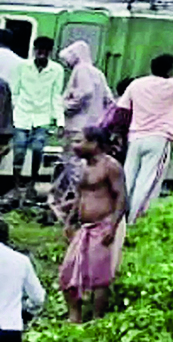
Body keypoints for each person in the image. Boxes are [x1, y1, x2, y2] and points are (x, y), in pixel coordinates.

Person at [119, 42, 173, 222]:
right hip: (158, 140)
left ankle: (117, 219)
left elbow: (122, 108)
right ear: (169, 71)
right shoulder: (170, 85)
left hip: (135, 138)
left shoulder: (136, 84)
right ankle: (134, 222)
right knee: (147, 183)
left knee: (128, 179)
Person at [59, 127, 124, 324]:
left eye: (79, 141)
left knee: (98, 277)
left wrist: (112, 227)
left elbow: (121, 196)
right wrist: (70, 221)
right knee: (67, 272)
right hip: (84, 227)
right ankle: (74, 318)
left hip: (103, 225)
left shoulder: (110, 166)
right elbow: (80, 197)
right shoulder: (84, 167)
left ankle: (96, 320)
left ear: (94, 144)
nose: (75, 146)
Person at [51, 40, 112, 225]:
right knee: (67, 164)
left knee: (74, 164)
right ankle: (56, 200)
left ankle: (85, 201)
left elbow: (84, 93)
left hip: (77, 127)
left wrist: (65, 107)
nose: (67, 64)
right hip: (93, 127)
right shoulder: (98, 73)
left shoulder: (81, 70)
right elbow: (109, 100)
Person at [9, 37, 65, 197]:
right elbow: (15, 91)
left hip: (42, 115)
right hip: (21, 114)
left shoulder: (57, 70)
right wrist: (11, 114)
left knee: (38, 150)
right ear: (34, 51)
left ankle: (32, 183)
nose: (41, 55)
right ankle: (16, 184)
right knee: (19, 150)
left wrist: (60, 121)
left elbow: (56, 96)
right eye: (39, 51)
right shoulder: (22, 66)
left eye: (45, 52)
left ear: (50, 52)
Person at [0, 219, 44, 342]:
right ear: (7, 237)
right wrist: (25, 308)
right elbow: (38, 298)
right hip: (10, 327)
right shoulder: (21, 261)